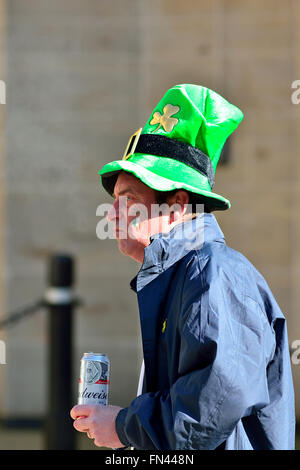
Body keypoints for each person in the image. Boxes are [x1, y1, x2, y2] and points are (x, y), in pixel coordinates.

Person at [70, 84, 295, 450]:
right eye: (114, 201)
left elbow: (210, 408)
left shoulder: (214, 274)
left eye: (128, 200)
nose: (112, 214)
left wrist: (125, 426)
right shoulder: (187, 274)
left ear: (176, 204)